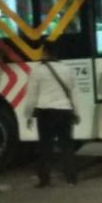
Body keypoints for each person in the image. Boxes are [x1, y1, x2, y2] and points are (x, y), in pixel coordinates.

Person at [24, 42, 79, 187]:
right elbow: (74, 94)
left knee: (45, 147)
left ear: (45, 53)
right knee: (66, 146)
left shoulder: (37, 71)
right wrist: (76, 112)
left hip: (45, 112)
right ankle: (71, 179)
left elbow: (31, 96)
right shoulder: (67, 70)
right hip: (64, 111)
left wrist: (28, 115)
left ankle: (44, 180)